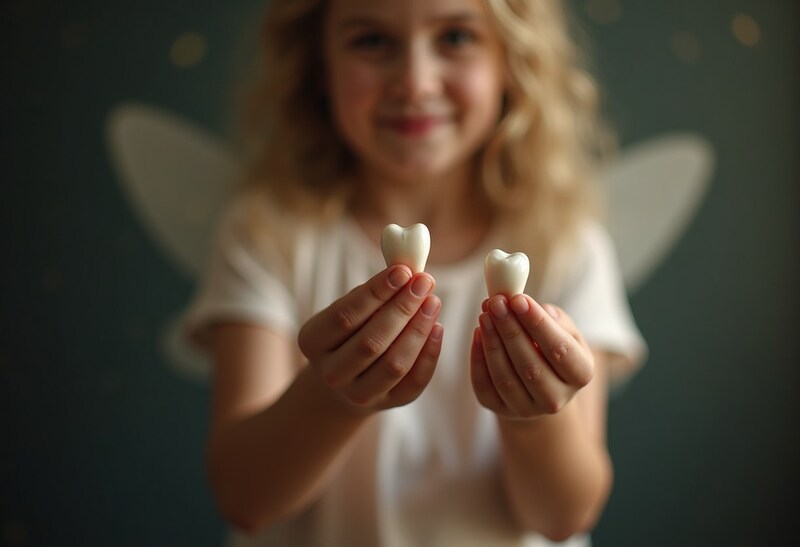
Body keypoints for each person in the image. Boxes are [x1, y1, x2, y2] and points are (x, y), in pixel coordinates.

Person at [184, 0, 646, 545]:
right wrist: (331, 398)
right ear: (318, 65)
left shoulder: (566, 246)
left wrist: (534, 417)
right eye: (372, 42)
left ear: (512, 60)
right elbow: (245, 498)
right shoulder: (267, 234)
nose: (415, 82)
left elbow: (565, 516)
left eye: (455, 37)